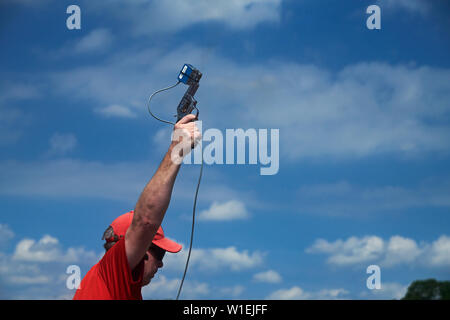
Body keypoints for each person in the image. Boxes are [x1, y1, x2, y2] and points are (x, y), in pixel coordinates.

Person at [73, 114, 201, 300]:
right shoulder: (113, 271)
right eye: (159, 253)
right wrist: (177, 148)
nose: (161, 264)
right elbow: (145, 222)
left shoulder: (115, 287)